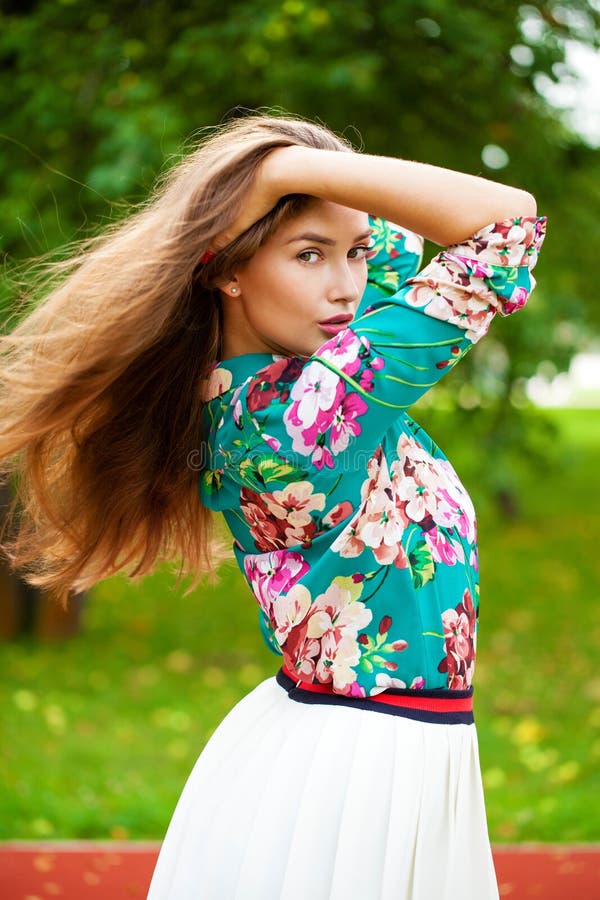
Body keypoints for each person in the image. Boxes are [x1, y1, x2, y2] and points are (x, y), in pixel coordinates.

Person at [0, 113, 547, 899]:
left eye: (350, 255)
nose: (347, 284)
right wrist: (282, 169)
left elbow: (390, 237)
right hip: (357, 768)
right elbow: (505, 222)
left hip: (371, 746)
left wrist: (291, 176)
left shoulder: (300, 374)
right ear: (226, 269)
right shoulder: (308, 411)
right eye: (307, 256)